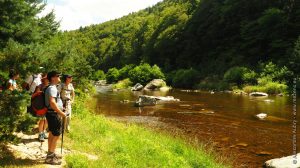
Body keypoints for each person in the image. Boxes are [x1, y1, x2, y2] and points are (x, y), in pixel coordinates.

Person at [44, 71, 66, 165]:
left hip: (51, 113)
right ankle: (50, 158)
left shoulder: (50, 87)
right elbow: (52, 103)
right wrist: (61, 113)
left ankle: (50, 153)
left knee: (52, 134)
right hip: (54, 114)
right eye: (58, 76)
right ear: (53, 78)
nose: (59, 77)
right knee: (56, 134)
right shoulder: (52, 88)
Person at [34, 73, 49, 141]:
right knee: (42, 120)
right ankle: (40, 134)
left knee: (47, 120)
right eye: (46, 78)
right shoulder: (40, 86)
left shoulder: (50, 86)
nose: (47, 80)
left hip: (48, 106)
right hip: (42, 106)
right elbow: (37, 94)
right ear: (44, 79)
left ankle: (44, 132)